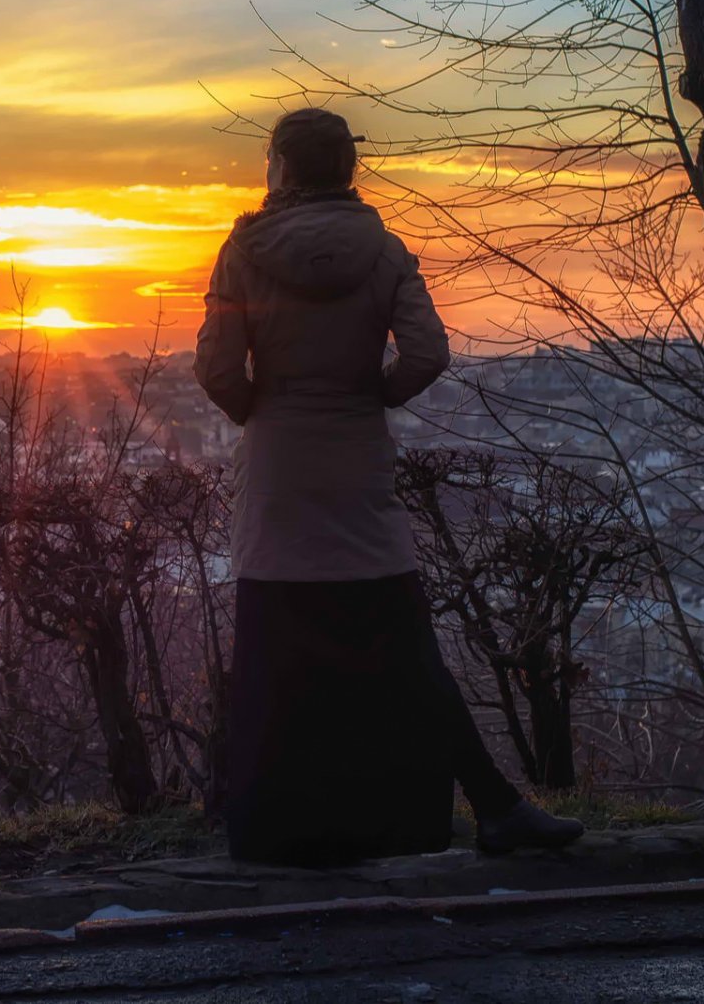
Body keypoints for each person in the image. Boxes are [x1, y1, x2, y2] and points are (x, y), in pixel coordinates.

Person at [195, 107, 583, 864]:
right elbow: (428, 353)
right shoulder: (384, 250)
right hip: (357, 461)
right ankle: (493, 806)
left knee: (279, 646)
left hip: (277, 471)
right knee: (403, 645)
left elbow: (215, 369)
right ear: (347, 168)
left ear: (278, 167)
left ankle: (281, 829)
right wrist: (369, 395)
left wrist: (260, 411)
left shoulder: (241, 251)